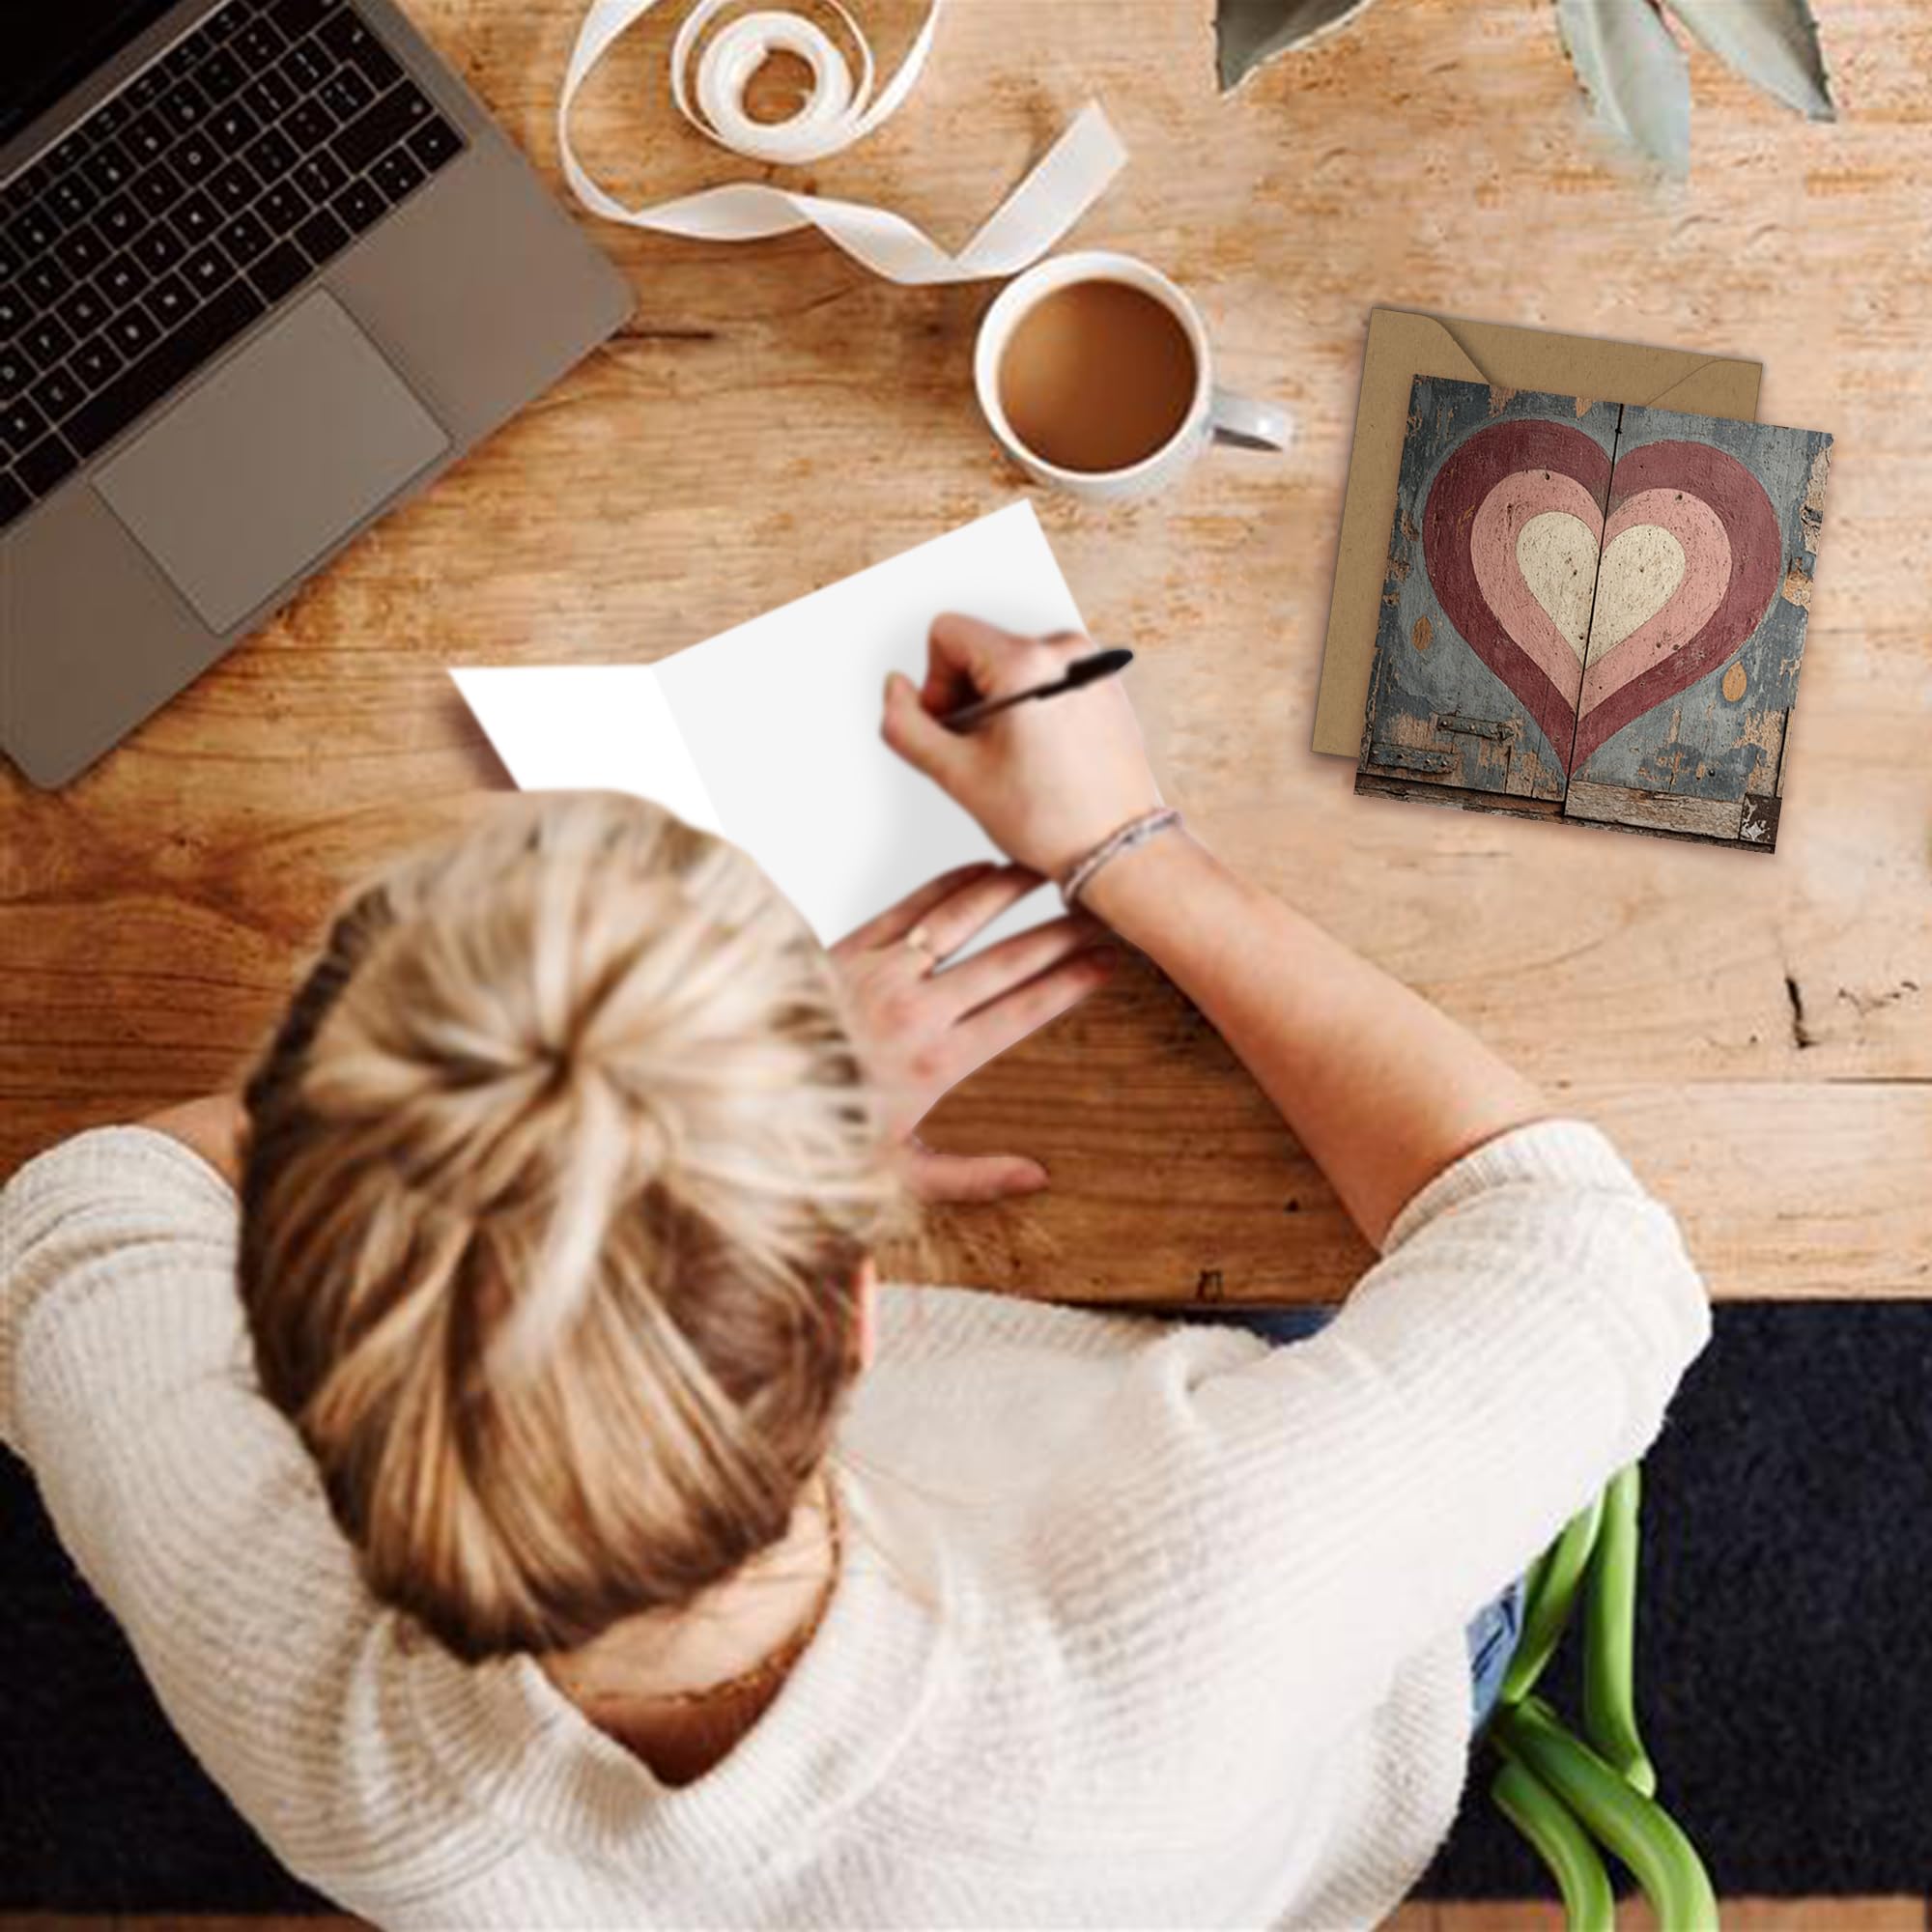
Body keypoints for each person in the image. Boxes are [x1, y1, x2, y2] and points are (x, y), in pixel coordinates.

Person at [0, 616, 1710, 1930]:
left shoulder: (285, 1663)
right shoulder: (1195, 1591)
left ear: (300, 1362)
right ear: (852, 1310)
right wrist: (1126, 843)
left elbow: (76, 1214)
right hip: (1278, 1734)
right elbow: (1591, 1254)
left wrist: (607, 1122)